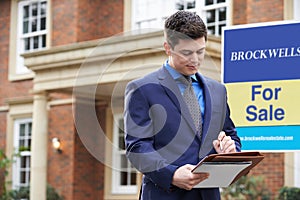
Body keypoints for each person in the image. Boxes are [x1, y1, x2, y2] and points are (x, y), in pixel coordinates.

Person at [124, 10, 241, 200]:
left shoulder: (218, 90)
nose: (195, 59)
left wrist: (230, 150)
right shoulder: (142, 89)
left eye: (200, 51)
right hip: (164, 195)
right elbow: (137, 147)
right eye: (187, 52)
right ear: (168, 47)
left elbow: (231, 135)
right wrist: (171, 174)